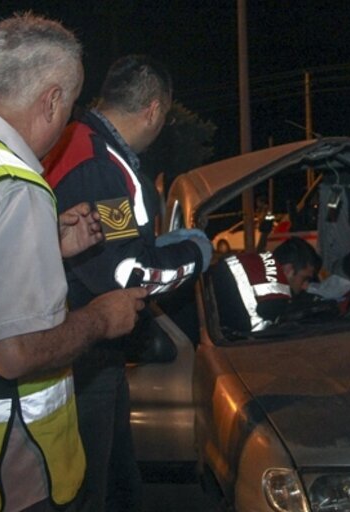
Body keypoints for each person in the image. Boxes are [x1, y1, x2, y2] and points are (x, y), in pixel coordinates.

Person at [0, 14, 147, 512]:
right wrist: (104, 317)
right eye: (70, 104)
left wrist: (43, 246)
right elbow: (14, 353)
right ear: (52, 99)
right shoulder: (12, 185)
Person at [42, 55, 211, 511]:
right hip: (85, 358)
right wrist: (194, 252)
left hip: (93, 356)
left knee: (118, 488)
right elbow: (126, 274)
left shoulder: (88, 147)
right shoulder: (99, 166)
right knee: (93, 493)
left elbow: (116, 249)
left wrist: (163, 243)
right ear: (154, 110)